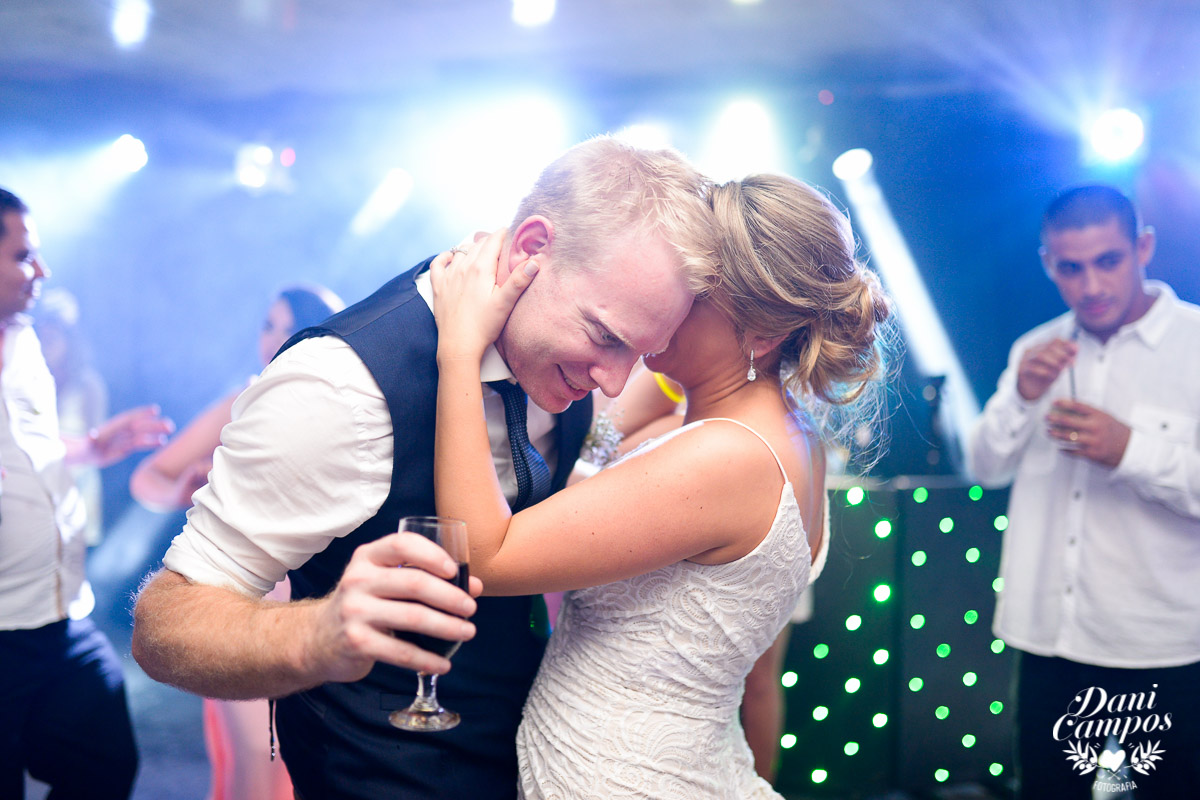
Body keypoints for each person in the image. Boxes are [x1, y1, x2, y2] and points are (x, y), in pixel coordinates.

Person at [130, 136, 717, 800]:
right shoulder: (338, 389)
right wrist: (315, 635)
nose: (614, 382)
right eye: (605, 337)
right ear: (531, 249)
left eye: (639, 353)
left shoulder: (559, 364)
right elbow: (163, 625)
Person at [429, 172, 889, 798]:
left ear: (760, 333)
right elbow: (626, 440)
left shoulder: (727, 456)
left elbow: (484, 553)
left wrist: (459, 349)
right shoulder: (780, 430)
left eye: (692, 289)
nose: (661, 300)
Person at [967, 185, 1200, 799]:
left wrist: (1131, 450)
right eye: (1071, 268)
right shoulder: (1034, 348)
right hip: (1051, 640)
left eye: (1108, 261)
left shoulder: (1195, 346)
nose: (1090, 285)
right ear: (1049, 263)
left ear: (1143, 247)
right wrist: (1019, 394)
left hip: (1162, 649)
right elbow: (983, 468)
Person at [130, 284, 343, 800]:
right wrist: (183, 489)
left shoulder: (346, 408)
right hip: (240, 599)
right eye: (267, 324)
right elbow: (149, 478)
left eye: (285, 326)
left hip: (312, 602)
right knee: (254, 757)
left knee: (298, 758)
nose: (271, 337)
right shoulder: (246, 400)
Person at [0, 187, 174, 800]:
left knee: (103, 767)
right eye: (25, 256)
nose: (41, 272)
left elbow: (26, 442)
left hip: (60, 615)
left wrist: (90, 447)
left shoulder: (22, 341)